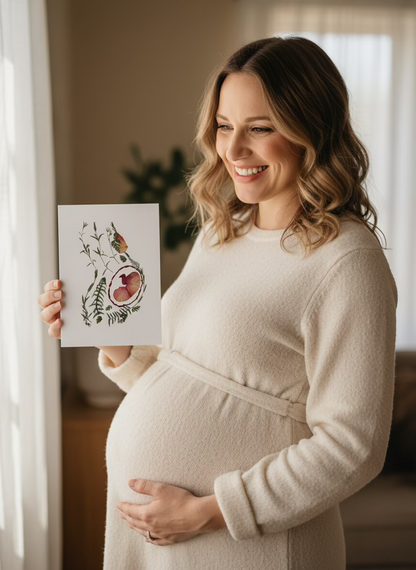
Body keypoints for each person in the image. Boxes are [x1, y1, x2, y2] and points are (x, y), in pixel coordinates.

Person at [38, 36, 398, 569]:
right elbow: (184, 378)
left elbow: (354, 445)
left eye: (260, 128)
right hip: (164, 541)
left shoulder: (347, 260)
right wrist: (108, 335)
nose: (233, 150)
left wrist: (211, 511)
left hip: (251, 544)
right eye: (225, 127)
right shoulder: (221, 232)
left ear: (311, 132)